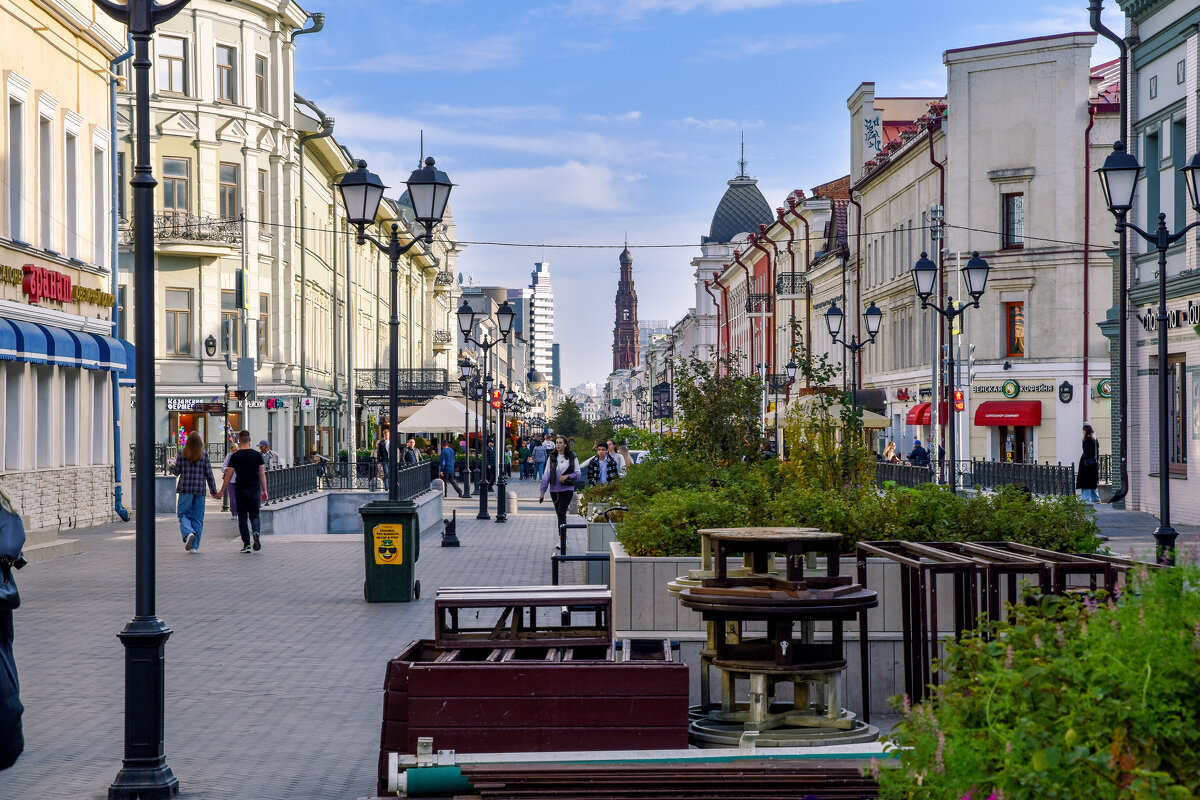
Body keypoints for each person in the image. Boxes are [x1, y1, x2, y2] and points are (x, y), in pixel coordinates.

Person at [216, 430, 268, 553]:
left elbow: (229, 474)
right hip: (254, 489)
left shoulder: (235, 456)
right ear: (249, 440)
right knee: (255, 516)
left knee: (243, 518)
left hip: (240, 489)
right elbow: (261, 474)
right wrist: (264, 490)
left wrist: (222, 491)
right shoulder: (257, 455)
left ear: (239, 440)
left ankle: (247, 545)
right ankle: (256, 532)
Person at [171, 432, 217, 553]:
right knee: (197, 518)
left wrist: (170, 465)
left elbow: (176, 472)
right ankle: (194, 547)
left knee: (183, 514)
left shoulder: (182, 454)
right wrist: (213, 491)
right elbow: (209, 474)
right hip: (199, 489)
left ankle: (188, 532)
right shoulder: (204, 454)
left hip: (185, 489)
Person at [539, 435, 581, 532]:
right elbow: (546, 475)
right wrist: (542, 492)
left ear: (565, 444)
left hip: (567, 489)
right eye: (557, 443)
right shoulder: (552, 457)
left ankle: (562, 538)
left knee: (562, 512)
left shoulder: (572, 457)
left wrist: (567, 476)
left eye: (560, 443)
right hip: (554, 490)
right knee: (559, 514)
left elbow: (578, 474)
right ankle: (563, 537)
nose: (558, 445)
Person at [1077, 424, 1101, 503]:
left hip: (1086, 465)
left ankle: (1085, 499)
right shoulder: (1094, 439)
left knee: (1085, 482)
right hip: (1093, 464)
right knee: (1092, 482)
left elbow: (1086, 452)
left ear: (1085, 431)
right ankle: (1096, 498)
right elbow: (1096, 452)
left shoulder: (1086, 440)